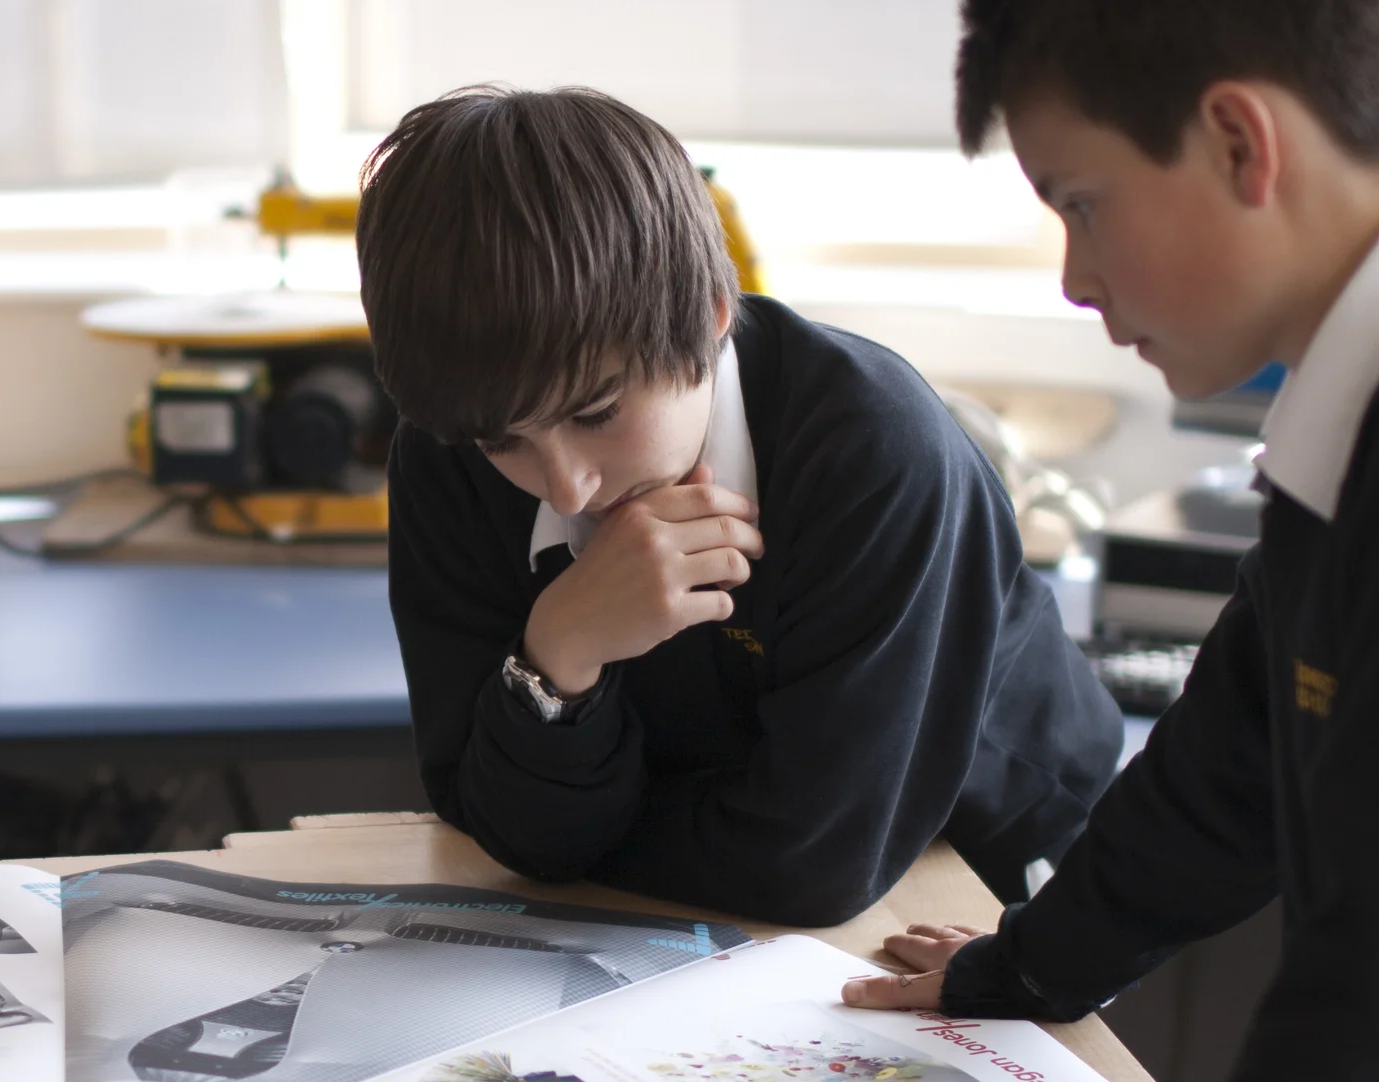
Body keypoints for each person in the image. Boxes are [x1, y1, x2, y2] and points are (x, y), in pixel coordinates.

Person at [822, 0, 1379, 1082]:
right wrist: (1025, 968)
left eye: (1081, 201)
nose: (1076, 280)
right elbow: (1231, 771)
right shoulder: (1338, 433)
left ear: (1240, 141)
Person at [359, 87, 1121, 926]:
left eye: (598, 412)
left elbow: (814, 867)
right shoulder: (448, 448)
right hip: (696, 896)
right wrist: (560, 653)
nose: (568, 487)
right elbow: (482, 813)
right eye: (505, 443)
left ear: (711, 317)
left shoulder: (875, 451)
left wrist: (566, 836)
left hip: (981, 866)